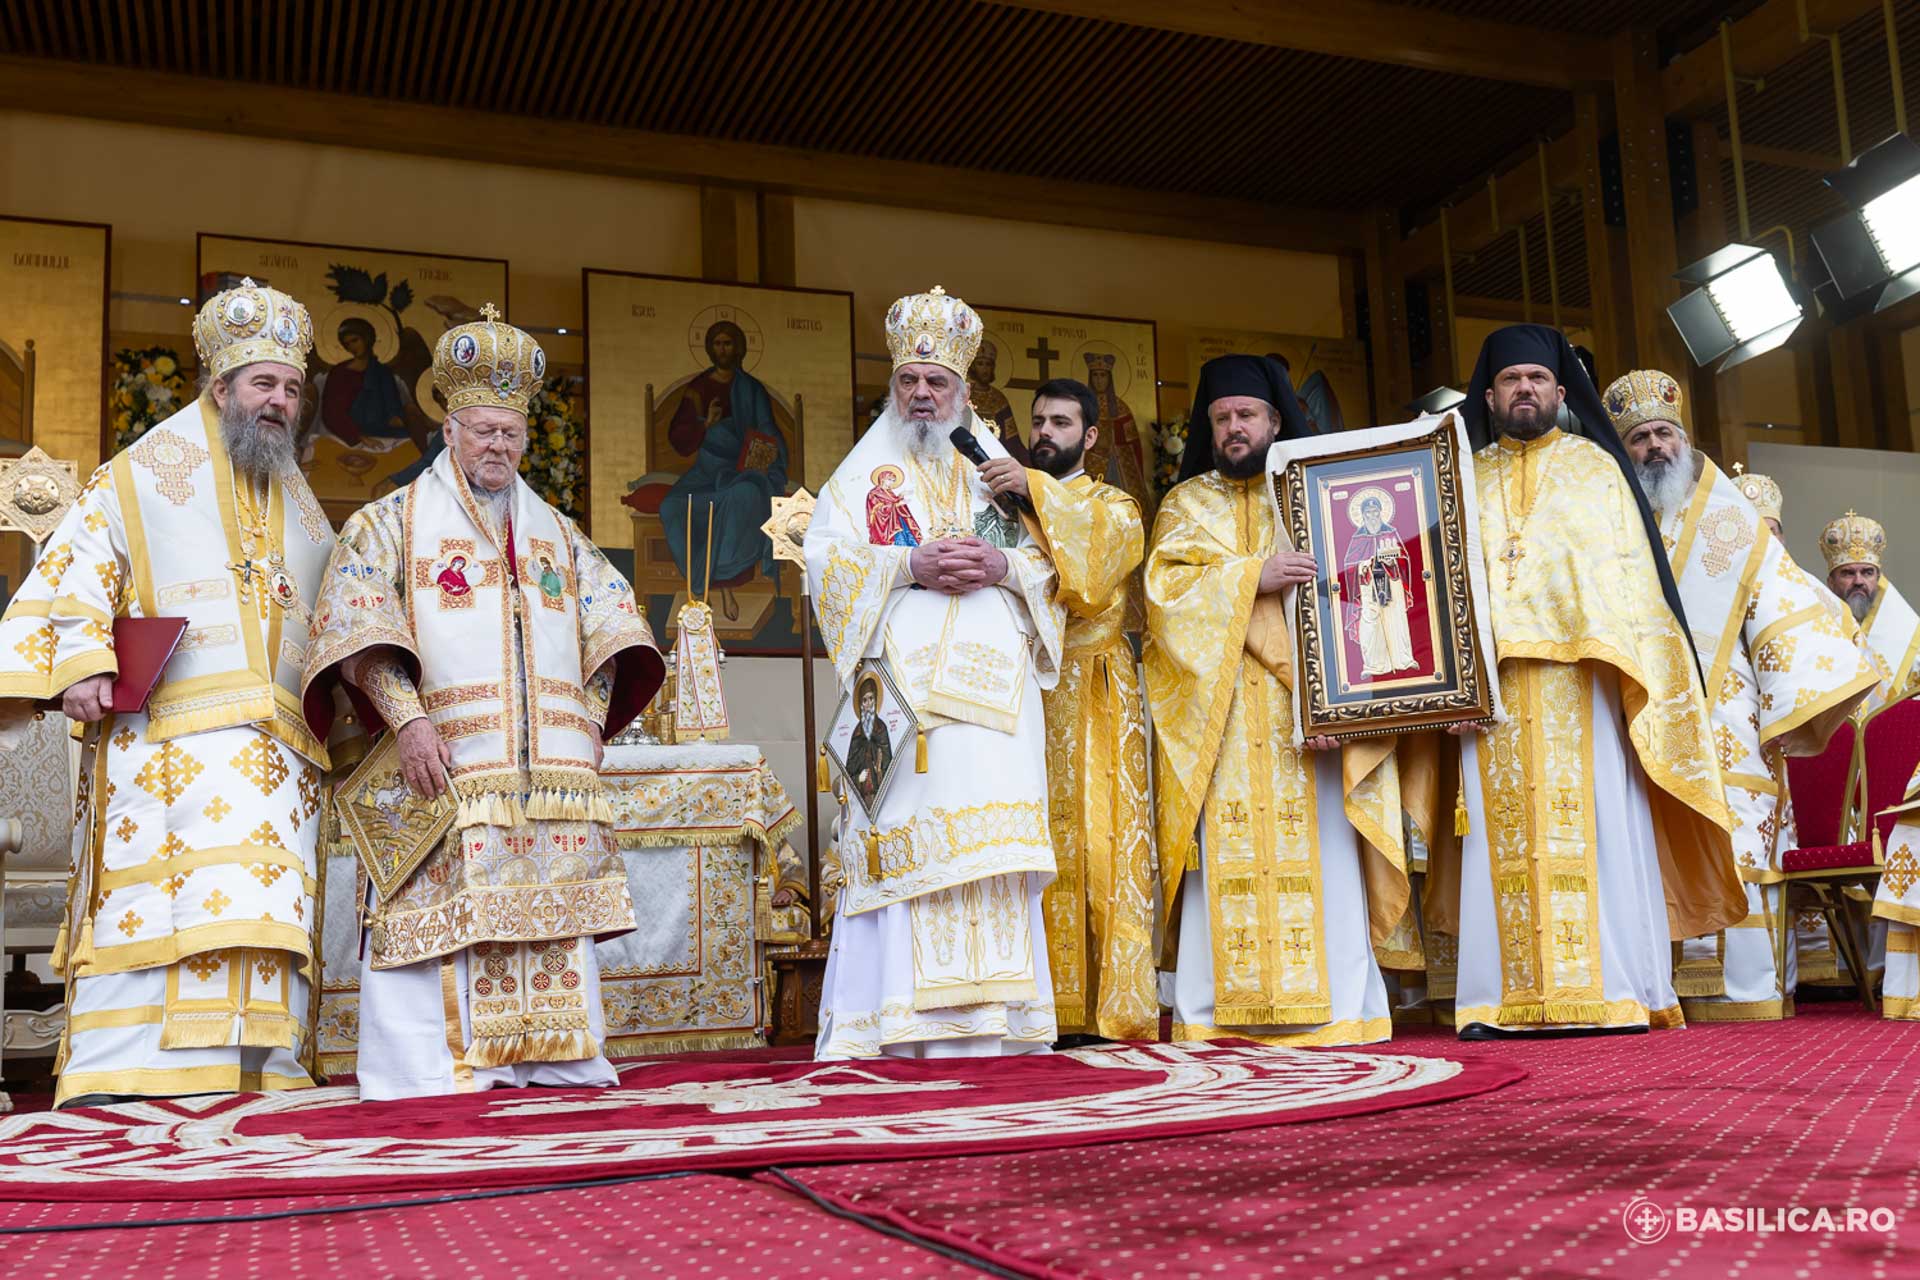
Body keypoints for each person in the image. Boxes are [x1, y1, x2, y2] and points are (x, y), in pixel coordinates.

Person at [301, 305, 664, 1100]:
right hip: (443, 760)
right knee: (440, 912)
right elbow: (355, 631)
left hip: (551, 775)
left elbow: (615, 626)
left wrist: (591, 717)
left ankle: (550, 1055)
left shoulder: (558, 534)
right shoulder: (389, 523)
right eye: (483, 432)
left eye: (510, 433)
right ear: (449, 432)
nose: (498, 446)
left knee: (544, 908)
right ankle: (434, 1070)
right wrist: (409, 721)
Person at [0, 280, 333, 1107]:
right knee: (167, 909)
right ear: (220, 386)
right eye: (263, 383)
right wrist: (83, 661)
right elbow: (79, 565)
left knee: (263, 908)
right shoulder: (142, 472)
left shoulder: (301, 504)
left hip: (282, 759)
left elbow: (333, 616)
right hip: (170, 746)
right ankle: (129, 1072)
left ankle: (261, 1071)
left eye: (292, 389)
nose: (279, 402)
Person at [1431, 326, 1745, 1039]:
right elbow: (1439, 589)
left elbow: (1633, 591)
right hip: (1491, 698)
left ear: (1561, 392)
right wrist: (1451, 684)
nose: (1524, 389)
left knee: (1597, 833)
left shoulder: (1598, 470)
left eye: (1537, 379)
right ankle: (1497, 1001)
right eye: (1510, 380)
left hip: (1588, 690)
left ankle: (1613, 991)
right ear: (1489, 396)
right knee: (1496, 843)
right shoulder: (1459, 481)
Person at [805, 285, 1066, 1059]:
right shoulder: (860, 476)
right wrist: (907, 565)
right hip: (904, 697)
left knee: (992, 848)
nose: (923, 393)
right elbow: (825, 563)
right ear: (895, 387)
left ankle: (1002, 1027)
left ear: (963, 390)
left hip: (997, 701)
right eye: (909, 381)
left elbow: (1058, 569)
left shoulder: (1000, 470)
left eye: (937, 381)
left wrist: (1004, 565)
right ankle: (896, 1027)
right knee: (903, 844)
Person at [1147, 353, 1409, 1046]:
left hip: (1307, 720)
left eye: (1247, 415)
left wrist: (1333, 707)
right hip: (1221, 722)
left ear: (1275, 421)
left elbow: (1359, 596)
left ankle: (1339, 1010)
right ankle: (1213, 1016)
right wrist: (1250, 577)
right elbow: (1164, 602)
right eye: (1221, 418)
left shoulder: (1319, 494)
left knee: (1323, 855)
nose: (1234, 428)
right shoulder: (1185, 505)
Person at [1608, 370, 1877, 1021]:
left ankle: (1745, 990)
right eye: (1640, 438)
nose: (1654, 446)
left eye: (1664, 433)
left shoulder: (1729, 519)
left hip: (1728, 713)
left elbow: (1781, 602)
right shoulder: (1612, 520)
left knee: (1740, 837)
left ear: (1684, 438)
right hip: (1640, 711)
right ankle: (1658, 986)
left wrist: (1792, 701)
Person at [979, 377, 1156, 1042]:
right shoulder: (1003, 506)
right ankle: (1036, 1007)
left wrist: (1032, 488)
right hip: (1022, 691)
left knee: (1103, 842)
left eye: (1061, 422)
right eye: (1038, 422)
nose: (1046, 433)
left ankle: (1110, 1011)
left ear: (1089, 436)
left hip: (1097, 694)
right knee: (1030, 843)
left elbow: (1092, 579)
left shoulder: (1115, 505)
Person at [657, 320, 791, 616]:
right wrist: (706, 424)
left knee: (741, 497)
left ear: (738, 348)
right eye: (717, 344)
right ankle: (699, 583)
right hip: (707, 470)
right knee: (671, 506)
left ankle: (721, 589)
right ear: (709, 348)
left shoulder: (752, 389)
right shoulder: (698, 388)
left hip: (743, 471)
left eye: (728, 343)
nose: (722, 349)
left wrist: (765, 459)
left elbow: (767, 429)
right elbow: (679, 438)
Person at [1820, 510, 1918, 709]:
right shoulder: (1815, 627)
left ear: (1878, 579)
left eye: (1867, 572)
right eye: (1848, 573)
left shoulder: (1909, 633)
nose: (1859, 581)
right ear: (1830, 582)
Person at [1340, 491, 1416, 677]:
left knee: (1396, 619)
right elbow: (1349, 565)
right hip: (1368, 587)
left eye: (1375, 511)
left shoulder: (1390, 533)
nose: (1372, 516)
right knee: (1370, 624)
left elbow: (1404, 558)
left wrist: (1393, 562)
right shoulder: (1358, 538)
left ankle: (1404, 659)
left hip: (1392, 583)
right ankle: (1373, 666)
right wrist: (1364, 565)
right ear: (1363, 515)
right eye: (1368, 512)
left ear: (1381, 512)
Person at [844, 672, 893, 810]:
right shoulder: (857, 733)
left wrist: (879, 770)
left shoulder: (881, 728)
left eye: (871, 698)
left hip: (880, 789)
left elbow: (888, 759)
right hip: (863, 792)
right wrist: (858, 778)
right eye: (865, 700)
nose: (869, 703)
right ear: (860, 704)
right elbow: (850, 766)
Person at [967, 340, 1021, 461]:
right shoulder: (964, 395)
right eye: (980, 364)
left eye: (988, 364)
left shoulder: (999, 399)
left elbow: (1012, 441)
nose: (985, 369)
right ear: (973, 367)